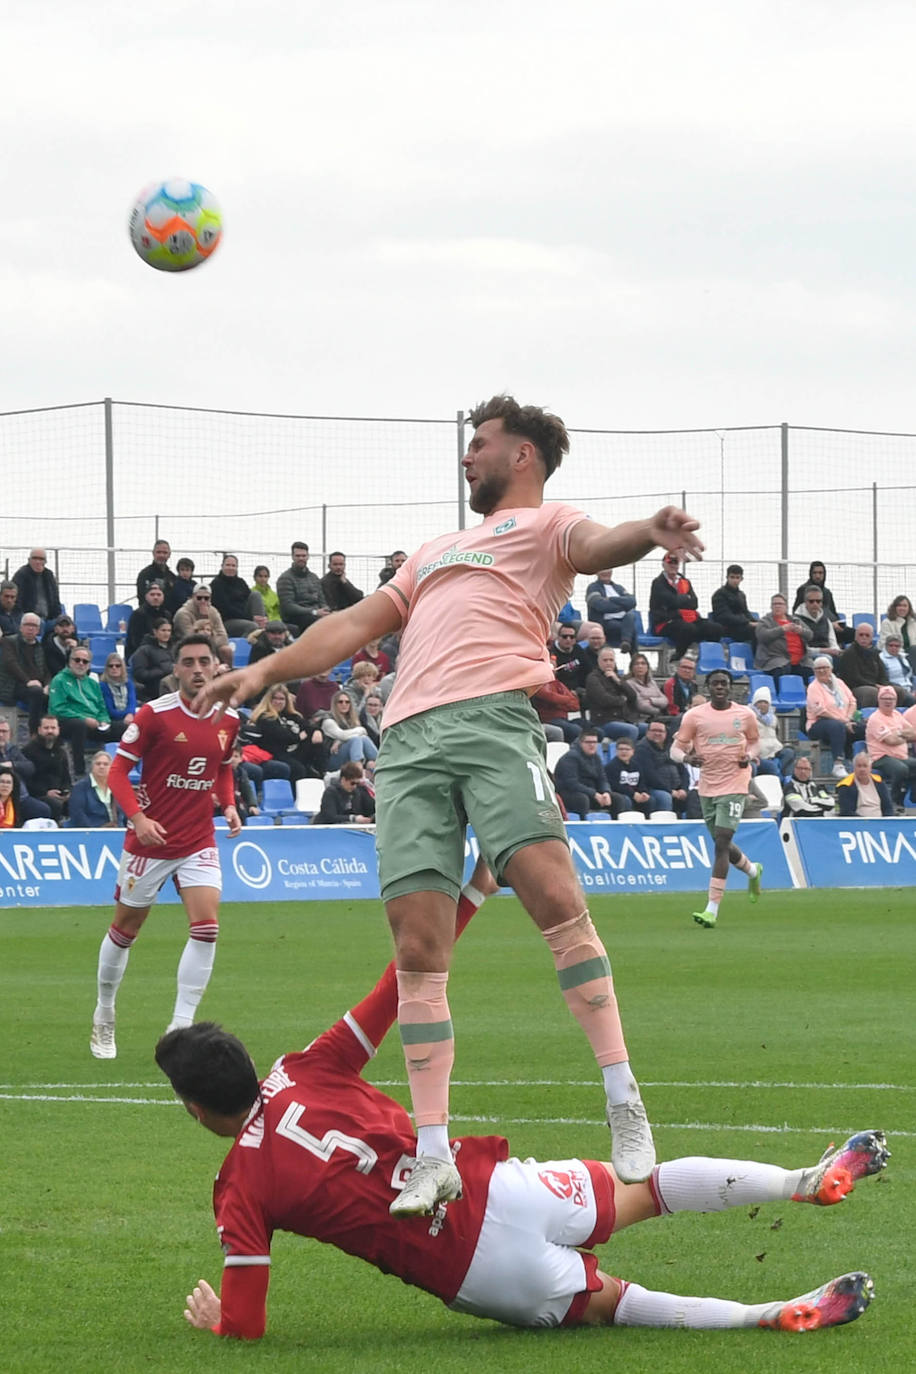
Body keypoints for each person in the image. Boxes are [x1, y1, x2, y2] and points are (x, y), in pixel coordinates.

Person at [196, 393, 707, 1205]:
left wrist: (648, 532)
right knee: (417, 950)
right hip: (406, 746)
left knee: (553, 896)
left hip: (494, 723)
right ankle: (431, 1152)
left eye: (481, 444)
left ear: (523, 456)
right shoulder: (434, 550)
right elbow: (357, 623)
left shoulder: (546, 527)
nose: (467, 456)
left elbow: (599, 543)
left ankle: (623, 1099)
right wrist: (265, 669)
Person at [156, 898, 886, 1340]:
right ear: (248, 1061)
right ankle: (804, 1178)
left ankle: (768, 1315)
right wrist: (470, 891)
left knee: (617, 1307)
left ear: (196, 1109)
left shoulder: (239, 1187)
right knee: (648, 1187)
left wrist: (219, 1319)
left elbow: (247, 1324)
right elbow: (398, 987)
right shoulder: (306, 1065)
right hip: (493, 1189)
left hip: (479, 1271)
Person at [88, 634, 242, 1060]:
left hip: (197, 839)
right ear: (175, 669)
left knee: (207, 928)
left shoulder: (228, 720)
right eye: (187, 661)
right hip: (149, 841)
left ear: (215, 667)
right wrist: (138, 818)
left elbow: (223, 769)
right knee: (125, 931)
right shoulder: (154, 716)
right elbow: (118, 772)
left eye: (203, 661)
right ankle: (104, 1011)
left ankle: (181, 1027)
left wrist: (228, 805)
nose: (196, 668)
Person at [671, 669, 762, 928]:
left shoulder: (744, 715)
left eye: (724, 683)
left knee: (721, 842)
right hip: (708, 786)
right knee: (722, 842)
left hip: (735, 783)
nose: (720, 687)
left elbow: (756, 743)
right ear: (708, 687)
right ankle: (753, 871)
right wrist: (688, 758)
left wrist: (750, 756)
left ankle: (711, 908)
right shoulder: (695, 716)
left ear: (731, 687)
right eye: (715, 683)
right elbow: (675, 749)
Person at [48, 644, 124, 776]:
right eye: (77, 660)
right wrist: (84, 718)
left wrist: (103, 720)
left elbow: (101, 707)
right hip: (67, 722)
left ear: (89, 665)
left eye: (85, 661)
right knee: (79, 725)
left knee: (124, 728)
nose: (80, 664)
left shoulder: (93, 683)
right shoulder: (59, 680)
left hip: (94, 723)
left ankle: (119, 771)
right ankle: (80, 771)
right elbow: (58, 708)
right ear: (70, 662)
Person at [649, 553, 724, 659]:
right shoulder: (658, 583)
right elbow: (671, 601)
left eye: (676, 563)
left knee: (716, 628)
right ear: (663, 564)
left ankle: (708, 658)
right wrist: (684, 599)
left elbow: (694, 603)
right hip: (666, 621)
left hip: (689, 619)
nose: (673, 566)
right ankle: (678, 656)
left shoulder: (685, 581)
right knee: (688, 629)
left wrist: (679, 601)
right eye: (670, 563)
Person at [245, 685, 324, 782]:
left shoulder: (292, 715)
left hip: (295, 752)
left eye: (282, 699)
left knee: (319, 746)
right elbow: (282, 736)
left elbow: (307, 726)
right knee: (298, 769)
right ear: (269, 699)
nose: (278, 702)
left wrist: (317, 731)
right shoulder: (264, 717)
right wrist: (299, 737)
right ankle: (294, 796)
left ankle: (321, 773)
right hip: (276, 754)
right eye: (275, 698)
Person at [805, 656, 864, 779]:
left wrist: (848, 719)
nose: (822, 671)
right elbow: (820, 710)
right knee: (836, 726)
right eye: (818, 669)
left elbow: (852, 701)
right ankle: (838, 764)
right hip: (819, 724)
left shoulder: (840, 683)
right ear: (814, 671)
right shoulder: (813, 687)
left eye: (825, 668)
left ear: (831, 669)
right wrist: (843, 721)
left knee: (864, 728)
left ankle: (862, 763)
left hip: (844, 721)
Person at [864, 685, 916, 808]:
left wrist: (898, 733)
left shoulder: (897, 715)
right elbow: (890, 740)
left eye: (891, 699)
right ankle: (893, 801)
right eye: (884, 699)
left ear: (895, 701)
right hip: (880, 757)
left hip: (900, 756)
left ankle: (913, 799)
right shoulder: (875, 718)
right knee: (900, 769)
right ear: (879, 700)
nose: (888, 701)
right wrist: (903, 735)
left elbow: (914, 732)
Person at [0, 611, 50, 730]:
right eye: (27, 625)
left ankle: (51, 733)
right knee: (36, 692)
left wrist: (48, 685)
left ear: (38, 630)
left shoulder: (40, 647)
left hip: (36, 686)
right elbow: (10, 664)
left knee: (54, 695)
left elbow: (46, 670)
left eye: (34, 626)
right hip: (14, 685)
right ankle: (34, 732)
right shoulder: (9, 641)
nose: (30, 628)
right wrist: (28, 681)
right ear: (21, 627)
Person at [553, 726, 617, 818]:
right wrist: (594, 794)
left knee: (618, 799)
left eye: (594, 742)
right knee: (582, 799)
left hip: (591, 793)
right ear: (580, 743)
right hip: (569, 793)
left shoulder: (596, 758)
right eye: (588, 742)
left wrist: (606, 792)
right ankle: (584, 828)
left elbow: (602, 779)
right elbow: (571, 783)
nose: (592, 745)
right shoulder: (570, 757)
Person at [632, 718, 691, 814]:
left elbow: (683, 771)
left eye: (660, 731)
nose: (657, 733)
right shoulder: (641, 749)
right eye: (654, 730)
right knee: (664, 797)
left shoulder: (671, 748)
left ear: (666, 733)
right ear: (647, 732)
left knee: (695, 796)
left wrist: (683, 789)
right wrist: (670, 791)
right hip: (652, 789)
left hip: (676, 788)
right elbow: (649, 776)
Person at [0, 716, 53, 822]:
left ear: (10, 734)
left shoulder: (12, 750)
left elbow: (29, 767)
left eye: (4, 731)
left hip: (20, 798)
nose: (1, 735)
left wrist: (12, 764)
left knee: (43, 810)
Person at [583, 647, 640, 743]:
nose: (608, 663)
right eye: (605, 660)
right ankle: (627, 756)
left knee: (650, 729)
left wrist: (618, 681)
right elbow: (604, 700)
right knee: (632, 730)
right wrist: (622, 700)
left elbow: (633, 696)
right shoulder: (593, 678)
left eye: (611, 660)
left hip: (624, 719)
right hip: (604, 722)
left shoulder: (616, 676)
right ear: (599, 662)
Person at [753, 593, 813, 684]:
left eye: (780, 604)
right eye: (774, 604)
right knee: (782, 669)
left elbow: (810, 635)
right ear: (771, 606)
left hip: (801, 661)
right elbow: (762, 636)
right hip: (775, 659)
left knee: (812, 671)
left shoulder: (795, 620)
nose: (777, 606)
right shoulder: (765, 621)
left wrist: (801, 631)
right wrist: (782, 629)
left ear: (786, 606)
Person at [22, 714, 72, 823]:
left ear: (58, 730)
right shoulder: (28, 751)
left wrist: (67, 792)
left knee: (79, 801)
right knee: (54, 804)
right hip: (37, 795)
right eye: (46, 728)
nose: (50, 731)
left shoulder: (61, 752)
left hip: (59, 794)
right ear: (39, 730)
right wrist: (46, 793)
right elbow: (26, 781)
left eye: (53, 728)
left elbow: (66, 777)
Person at [276, 542, 330, 635]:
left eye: (303, 555)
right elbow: (288, 607)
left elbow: (322, 600)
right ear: (292, 557)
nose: (301, 558)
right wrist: (313, 612)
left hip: (317, 614)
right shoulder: (285, 579)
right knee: (318, 622)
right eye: (298, 556)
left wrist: (326, 610)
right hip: (297, 618)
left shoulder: (314, 577)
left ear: (308, 556)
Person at [836, 621, 893, 708]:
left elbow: (883, 674)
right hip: (855, 688)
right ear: (855, 637)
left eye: (867, 635)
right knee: (871, 692)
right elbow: (853, 678)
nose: (864, 637)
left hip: (874, 685)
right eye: (861, 635)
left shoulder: (875, 653)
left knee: (898, 691)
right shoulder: (849, 653)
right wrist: (876, 686)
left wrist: (884, 686)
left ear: (871, 638)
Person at [172, 586, 232, 666]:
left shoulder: (213, 611)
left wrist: (211, 641)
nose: (203, 601)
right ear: (193, 597)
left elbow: (223, 636)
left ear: (210, 599)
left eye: (206, 598)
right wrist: (204, 618)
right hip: (187, 646)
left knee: (226, 650)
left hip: (212, 645)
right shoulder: (183, 613)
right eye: (199, 598)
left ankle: (229, 675)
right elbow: (190, 638)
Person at [792, 562, 851, 642]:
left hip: (832, 627)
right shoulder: (803, 590)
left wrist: (837, 624)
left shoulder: (827, 592)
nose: (818, 576)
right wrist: (829, 624)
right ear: (810, 574)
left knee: (855, 634)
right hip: (815, 628)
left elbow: (833, 612)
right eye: (815, 573)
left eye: (820, 573)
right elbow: (797, 614)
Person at [210, 554, 266, 637]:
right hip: (226, 621)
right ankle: (244, 647)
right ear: (222, 566)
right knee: (252, 626)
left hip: (245, 617)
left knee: (256, 595)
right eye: (228, 565)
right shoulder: (216, 584)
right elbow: (227, 610)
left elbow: (249, 600)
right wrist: (251, 618)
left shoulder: (241, 582)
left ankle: (262, 624)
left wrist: (263, 617)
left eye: (233, 566)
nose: (231, 568)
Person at [321, 689, 379, 767]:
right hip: (331, 759)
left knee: (363, 738)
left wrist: (340, 741)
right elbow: (343, 735)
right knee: (356, 739)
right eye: (340, 702)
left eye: (347, 702)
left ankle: (381, 764)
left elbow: (350, 736)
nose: (344, 704)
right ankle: (357, 769)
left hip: (347, 757)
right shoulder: (328, 720)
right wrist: (361, 730)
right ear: (335, 704)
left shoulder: (352, 720)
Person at [584, 569, 637, 651]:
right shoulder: (592, 588)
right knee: (631, 630)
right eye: (602, 569)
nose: (605, 572)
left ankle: (627, 646)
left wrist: (612, 599)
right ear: (597, 572)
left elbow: (632, 601)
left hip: (623, 620)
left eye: (608, 569)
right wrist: (623, 605)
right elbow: (601, 606)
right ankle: (628, 646)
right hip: (604, 623)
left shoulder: (619, 588)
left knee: (631, 615)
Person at [68, 750, 124, 827]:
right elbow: (78, 815)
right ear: (92, 766)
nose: (101, 766)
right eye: (98, 764)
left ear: (111, 767)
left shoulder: (117, 787)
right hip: (90, 833)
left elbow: (124, 814)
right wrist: (94, 832)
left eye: (106, 764)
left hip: (117, 831)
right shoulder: (80, 787)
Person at [749, 685, 795, 778]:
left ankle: (787, 781)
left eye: (765, 702)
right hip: (759, 755)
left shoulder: (773, 718)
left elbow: (777, 735)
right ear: (754, 704)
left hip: (774, 751)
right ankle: (778, 774)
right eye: (760, 702)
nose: (762, 705)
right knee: (772, 767)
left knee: (789, 753)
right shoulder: (750, 717)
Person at [313, 759, 376, 824]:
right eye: (352, 783)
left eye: (357, 783)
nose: (354, 786)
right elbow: (330, 817)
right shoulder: (330, 793)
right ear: (343, 779)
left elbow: (372, 808)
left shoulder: (359, 792)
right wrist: (353, 818)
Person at [129, 618, 176, 705]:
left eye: (169, 631)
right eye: (163, 630)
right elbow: (140, 674)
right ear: (155, 631)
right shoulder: (144, 650)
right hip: (153, 689)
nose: (167, 633)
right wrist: (162, 671)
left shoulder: (174, 648)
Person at [604, 737, 653, 816]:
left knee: (649, 800)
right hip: (620, 794)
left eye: (627, 749)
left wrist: (643, 792)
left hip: (635, 794)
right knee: (626, 800)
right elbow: (615, 786)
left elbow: (641, 783)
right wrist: (633, 794)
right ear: (616, 751)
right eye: (621, 749)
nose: (624, 752)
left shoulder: (637, 766)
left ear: (633, 752)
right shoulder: (611, 767)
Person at [835, 751, 894, 818]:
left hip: (880, 824)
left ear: (870, 768)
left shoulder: (879, 783)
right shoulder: (846, 785)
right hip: (857, 825)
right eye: (859, 766)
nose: (862, 769)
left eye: (865, 766)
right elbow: (846, 812)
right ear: (854, 768)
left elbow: (888, 808)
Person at [794, 586, 841, 665]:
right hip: (807, 657)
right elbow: (802, 650)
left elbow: (833, 643)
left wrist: (836, 651)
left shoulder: (826, 620)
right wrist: (824, 651)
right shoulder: (797, 621)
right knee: (826, 659)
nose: (815, 604)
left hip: (827, 654)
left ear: (821, 603)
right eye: (811, 601)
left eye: (818, 601)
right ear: (805, 602)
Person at [12, 548, 62, 622]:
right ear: (29, 560)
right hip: (28, 618)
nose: (38, 561)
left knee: (66, 626)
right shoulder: (21, 575)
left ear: (45, 561)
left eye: (41, 559)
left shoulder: (49, 575)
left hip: (49, 618)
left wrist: (58, 617)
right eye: (35, 558)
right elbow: (15, 599)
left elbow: (55, 598)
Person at [710, 565, 757, 643]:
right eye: (732, 577)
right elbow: (724, 616)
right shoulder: (719, 594)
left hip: (742, 626)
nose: (735, 580)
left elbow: (746, 612)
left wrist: (757, 622)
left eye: (737, 577)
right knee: (755, 631)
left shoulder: (741, 595)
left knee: (763, 629)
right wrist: (747, 622)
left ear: (741, 579)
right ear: (727, 577)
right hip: (728, 628)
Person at [125, 583, 170, 659]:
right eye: (152, 595)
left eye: (159, 595)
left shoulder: (167, 615)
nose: (155, 597)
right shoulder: (138, 615)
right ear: (146, 596)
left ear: (163, 597)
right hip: (140, 656)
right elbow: (135, 642)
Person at [624, 652, 668, 726]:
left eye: (643, 663)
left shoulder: (652, 683)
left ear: (647, 667)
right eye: (636, 664)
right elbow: (641, 705)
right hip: (640, 720)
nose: (640, 666)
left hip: (657, 717)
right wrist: (658, 708)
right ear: (632, 668)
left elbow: (665, 700)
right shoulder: (629, 683)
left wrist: (651, 700)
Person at [879, 594, 916, 672]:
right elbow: (885, 644)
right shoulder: (887, 623)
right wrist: (903, 655)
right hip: (896, 655)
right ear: (895, 608)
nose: (902, 608)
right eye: (899, 605)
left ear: (909, 608)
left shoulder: (913, 623)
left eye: (905, 606)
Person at [98, 652, 138, 725]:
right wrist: (128, 715)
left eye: (118, 666)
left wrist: (130, 714)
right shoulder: (102, 685)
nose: (114, 668)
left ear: (122, 667)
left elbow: (132, 702)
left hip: (129, 716)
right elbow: (110, 710)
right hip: (113, 719)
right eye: (111, 666)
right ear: (107, 668)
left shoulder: (129, 683)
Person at [878, 633, 916, 702]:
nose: (894, 648)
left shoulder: (903, 657)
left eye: (897, 646)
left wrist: (914, 690)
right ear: (886, 646)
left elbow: (911, 676)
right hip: (896, 690)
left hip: (909, 688)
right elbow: (884, 680)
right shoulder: (881, 658)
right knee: (912, 700)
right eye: (891, 645)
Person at [41, 613, 79, 679]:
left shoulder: (80, 646)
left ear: (73, 629)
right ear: (55, 629)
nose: (65, 629)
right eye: (61, 626)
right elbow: (48, 670)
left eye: (68, 625)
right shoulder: (47, 646)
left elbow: (86, 671)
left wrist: (75, 651)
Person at [0, 762, 25, 828]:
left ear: (13, 787)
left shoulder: (16, 804)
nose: (5, 785)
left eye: (8, 783)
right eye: (2, 782)